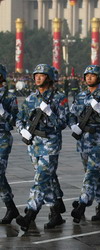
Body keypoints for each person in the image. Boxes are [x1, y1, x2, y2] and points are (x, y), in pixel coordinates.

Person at [16, 64, 69, 231]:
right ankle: (56, 213)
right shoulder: (31, 98)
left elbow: (62, 123)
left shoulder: (59, 98)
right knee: (49, 179)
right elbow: (20, 118)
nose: (38, 77)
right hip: (34, 144)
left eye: (42, 75)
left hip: (50, 143)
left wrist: (50, 113)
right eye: (36, 75)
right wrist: (22, 130)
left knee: (40, 180)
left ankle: (30, 214)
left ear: (49, 78)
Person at [69, 65, 100, 223]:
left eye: (93, 75)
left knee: (92, 173)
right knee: (93, 173)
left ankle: (82, 204)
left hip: (97, 139)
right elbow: (71, 114)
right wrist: (73, 125)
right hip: (82, 139)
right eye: (87, 75)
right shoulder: (80, 96)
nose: (89, 77)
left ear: (99, 78)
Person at [0, 64, 20, 224]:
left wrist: (3, 113)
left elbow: (15, 121)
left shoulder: (9, 97)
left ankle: (10, 206)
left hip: (2, 138)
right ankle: (11, 207)